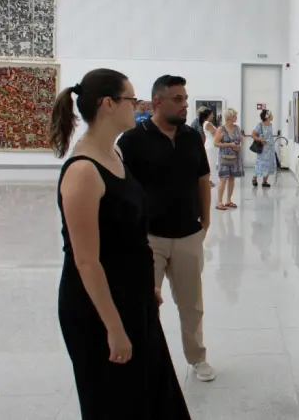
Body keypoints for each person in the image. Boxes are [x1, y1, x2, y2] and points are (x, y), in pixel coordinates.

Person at [50, 68, 191, 418]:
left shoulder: (113, 155)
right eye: (131, 99)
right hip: (98, 309)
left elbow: (126, 234)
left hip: (132, 298)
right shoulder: (83, 171)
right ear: (108, 104)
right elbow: (86, 261)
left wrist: (145, 288)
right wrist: (114, 328)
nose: (138, 105)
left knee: (151, 393)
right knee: (115, 403)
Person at [117, 74, 216, 382]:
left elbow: (203, 179)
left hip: (188, 235)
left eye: (185, 98)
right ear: (157, 101)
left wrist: (205, 221)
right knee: (145, 305)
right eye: (178, 99)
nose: (185, 104)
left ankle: (197, 357)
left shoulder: (191, 137)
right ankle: (145, 362)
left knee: (192, 306)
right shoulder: (132, 140)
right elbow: (121, 188)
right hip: (149, 239)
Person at [214, 108, 244, 210]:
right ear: (230, 117)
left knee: (232, 178)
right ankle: (219, 202)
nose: (236, 117)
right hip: (224, 157)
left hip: (235, 156)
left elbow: (241, 139)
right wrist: (229, 144)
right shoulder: (221, 129)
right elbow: (215, 143)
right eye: (234, 116)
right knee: (223, 179)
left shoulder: (237, 128)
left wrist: (239, 146)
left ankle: (228, 200)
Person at [251, 109, 277, 188]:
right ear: (267, 116)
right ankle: (254, 178)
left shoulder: (270, 125)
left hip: (270, 149)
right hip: (263, 149)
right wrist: (260, 139)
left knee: (269, 165)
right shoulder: (259, 125)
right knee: (260, 164)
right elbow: (253, 135)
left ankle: (264, 181)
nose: (272, 116)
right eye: (271, 115)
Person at [200, 108, 217, 188]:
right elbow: (215, 132)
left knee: (211, 163)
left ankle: (209, 180)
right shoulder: (207, 124)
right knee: (210, 163)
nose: (213, 115)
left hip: (211, 145)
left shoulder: (208, 123)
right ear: (208, 115)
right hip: (210, 146)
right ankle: (208, 181)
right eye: (212, 114)